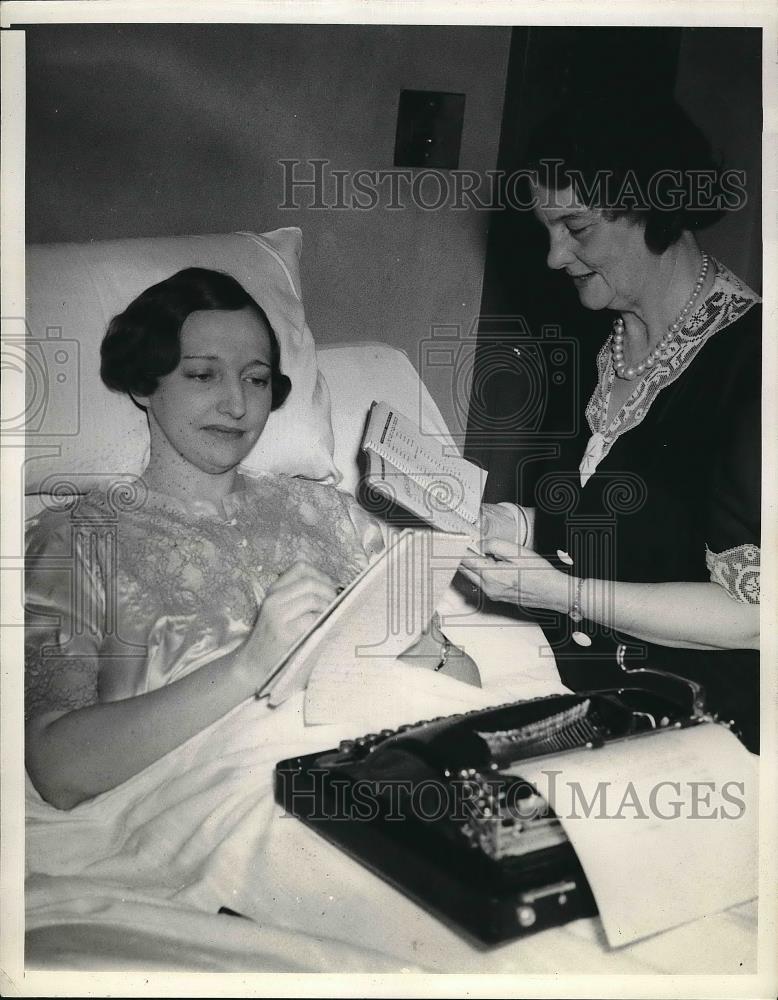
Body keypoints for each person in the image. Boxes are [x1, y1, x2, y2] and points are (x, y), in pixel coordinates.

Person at [25, 267, 478, 810]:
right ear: (145, 384)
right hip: (221, 809)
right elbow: (56, 770)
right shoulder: (79, 539)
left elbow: (461, 681)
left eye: (256, 378)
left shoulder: (333, 514)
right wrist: (249, 665)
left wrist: (425, 646)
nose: (236, 405)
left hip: (381, 777)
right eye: (202, 376)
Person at [460, 96, 761, 751]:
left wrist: (565, 593)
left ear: (654, 209)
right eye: (547, 229)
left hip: (709, 721)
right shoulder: (598, 342)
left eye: (576, 227)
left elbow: (755, 616)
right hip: (590, 688)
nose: (552, 256)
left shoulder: (753, 366)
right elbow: (633, 530)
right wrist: (521, 522)